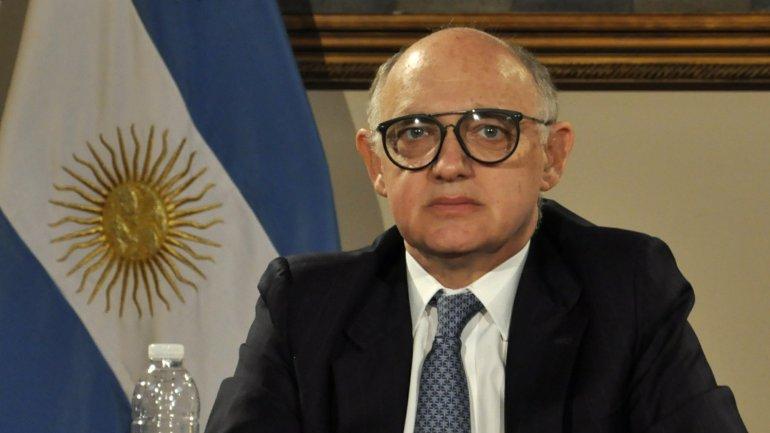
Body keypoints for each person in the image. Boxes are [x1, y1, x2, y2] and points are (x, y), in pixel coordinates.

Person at [206, 28, 747, 433]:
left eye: (489, 131)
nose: (449, 165)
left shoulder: (625, 292)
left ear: (552, 157)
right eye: (414, 133)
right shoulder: (305, 305)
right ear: (376, 164)